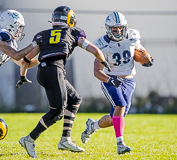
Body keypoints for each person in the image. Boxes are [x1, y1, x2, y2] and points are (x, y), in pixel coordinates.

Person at [18, 6, 111, 158]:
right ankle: (29, 139)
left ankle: (65, 139)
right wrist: (103, 61)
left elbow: (25, 61)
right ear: (69, 20)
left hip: (43, 72)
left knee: (74, 99)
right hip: (55, 71)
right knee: (57, 112)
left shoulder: (43, 35)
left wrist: (22, 77)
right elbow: (95, 50)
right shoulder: (73, 32)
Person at [81, 11, 154, 154]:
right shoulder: (101, 44)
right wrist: (110, 79)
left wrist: (147, 58)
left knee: (117, 116)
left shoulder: (133, 36)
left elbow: (140, 51)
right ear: (108, 29)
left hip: (129, 81)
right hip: (110, 80)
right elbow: (97, 71)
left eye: (121, 28)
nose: (118, 31)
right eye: (115, 29)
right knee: (120, 105)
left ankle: (93, 126)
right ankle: (120, 144)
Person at [0, 9, 41, 82]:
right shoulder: (3, 36)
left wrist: (41, 59)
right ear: (11, 25)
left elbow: (24, 63)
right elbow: (16, 56)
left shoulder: (10, 43)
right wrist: (35, 43)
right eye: (18, 27)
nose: (19, 31)